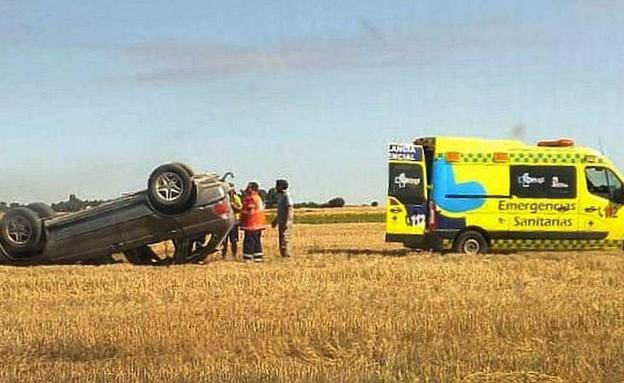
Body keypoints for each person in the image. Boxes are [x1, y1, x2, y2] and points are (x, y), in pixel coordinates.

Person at [240, 182, 267, 263]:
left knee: (249, 241)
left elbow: (250, 211)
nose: (246, 189)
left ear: (252, 189)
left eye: (248, 188)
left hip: (251, 224)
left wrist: (242, 220)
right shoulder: (258, 198)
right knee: (256, 241)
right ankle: (258, 257)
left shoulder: (250, 199)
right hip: (258, 224)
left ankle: (248, 258)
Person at [271, 179, 294, 258]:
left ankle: (287, 256)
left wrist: (287, 221)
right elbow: (280, 210)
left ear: (281, 186)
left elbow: (289, 208)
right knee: (281, 239)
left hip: (285, 221)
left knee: (285, 239)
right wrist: (276, 220)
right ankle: (283, 255)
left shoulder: (287, 195)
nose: (276, 187)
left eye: (277, 185)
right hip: (281, 221)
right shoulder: (280, 196)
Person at [222, 183, 243, 260]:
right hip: (225, 222)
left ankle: (234, 256)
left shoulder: (236, 198)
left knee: (233, 240)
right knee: (224, 241)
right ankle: (223, 256)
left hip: (234, 222)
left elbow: (240, 209)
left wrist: (233, 205)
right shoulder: (223, 199)